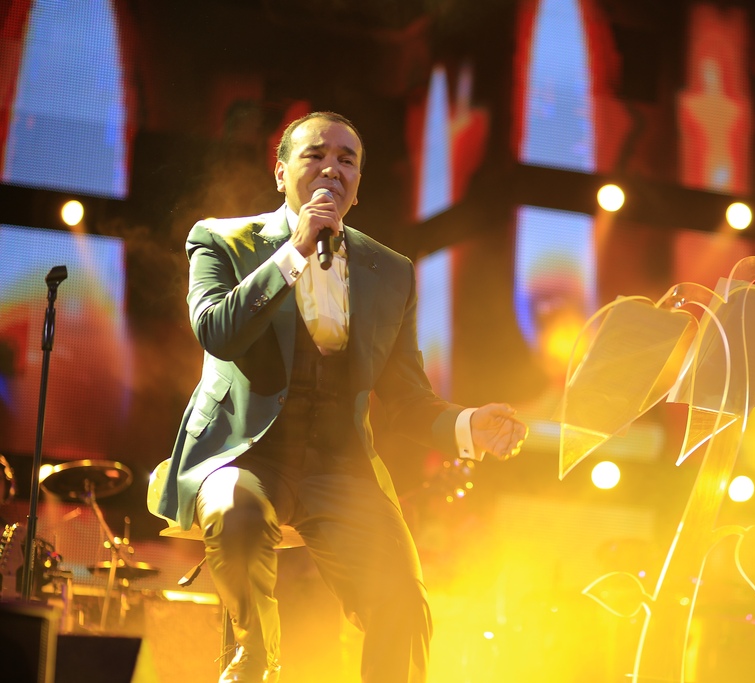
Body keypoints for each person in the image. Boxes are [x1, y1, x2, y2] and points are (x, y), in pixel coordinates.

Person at [151, 111, 528, 683]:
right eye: (315, 155)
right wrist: (295, 250)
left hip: (339, 467)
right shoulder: (221, 240)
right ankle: (256, 658)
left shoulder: (391, 272)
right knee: (235, 515)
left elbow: (405, 396)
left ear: (357, 185)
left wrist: (468, 425)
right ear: (281, 173)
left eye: (346, 160)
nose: (331, 168)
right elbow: (217, 332)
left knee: (401, 599)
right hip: (245, 454)